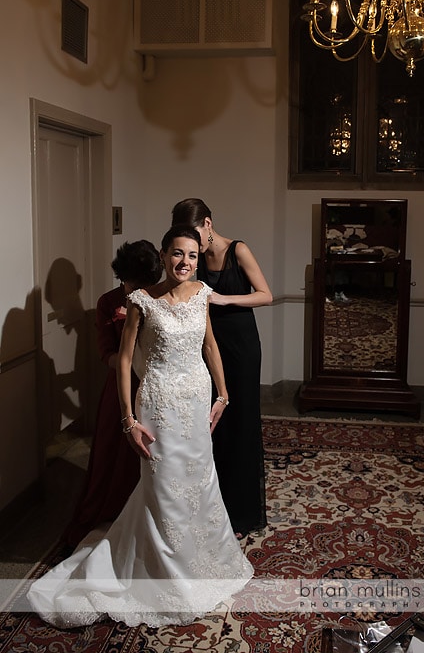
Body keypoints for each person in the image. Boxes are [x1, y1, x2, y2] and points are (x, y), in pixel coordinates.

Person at [28, 226, 253, 628]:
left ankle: (203, 564)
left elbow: (210, 345)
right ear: (164, 255)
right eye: (177, 254)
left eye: (192, 255)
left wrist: (222, 394)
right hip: (160, 406)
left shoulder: (202, 292)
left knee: (200, 482)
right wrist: (128, 420)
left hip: (196, 403)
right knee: (163, 488)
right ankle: (162, 576)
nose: (185, 262)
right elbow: (126, 361)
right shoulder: (140, 301)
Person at [171, 198, 272, 538]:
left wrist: (224, 299)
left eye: (197, 235)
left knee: (240, 422)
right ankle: (209, 505)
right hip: (207, 345)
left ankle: (240, 511)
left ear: (209, 224)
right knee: (210, 424)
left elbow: (265, 295)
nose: (193, 246)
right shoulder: (191, 256)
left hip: (241, 347)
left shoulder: (238, 250)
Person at [61, 240, 163, 550]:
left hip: (156, 384)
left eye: (143, 282)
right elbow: (105, 351)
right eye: (130, 281)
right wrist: (126, 364)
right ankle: (110, 512)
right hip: (121, 385)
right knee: (112, 449)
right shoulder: (108, 302)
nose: (135, 288)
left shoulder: (161, 296)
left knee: (153, 451)